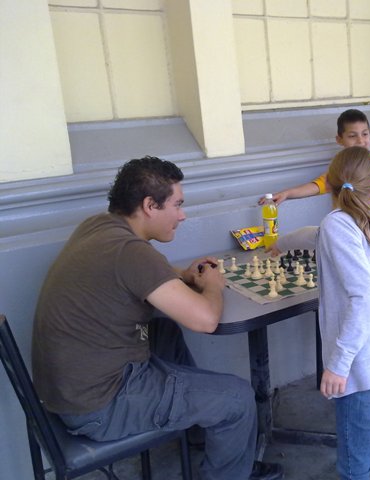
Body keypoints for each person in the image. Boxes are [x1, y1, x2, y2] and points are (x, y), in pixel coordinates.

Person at [31, 156, 283, 480]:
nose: (182, 215)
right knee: (237, 399)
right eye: (177, 205)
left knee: (163, 329)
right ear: (150, 205)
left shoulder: (99, 227)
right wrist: (213, 286)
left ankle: (198, 434)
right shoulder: (132, 252)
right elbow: (206, 320)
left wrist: (184, 276)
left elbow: (143, 273)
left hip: (69, 391)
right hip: (100, 406)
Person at [269, 146, 370, 480]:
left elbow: (363, 297)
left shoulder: (338, 223)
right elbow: (315, 236)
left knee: (354, 465)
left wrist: (339, 365)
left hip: (363, 367)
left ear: (329, 184)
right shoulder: (363, 220)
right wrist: (282, 243)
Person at [260, 108, 370, 297]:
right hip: (364, 235)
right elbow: (317, 186)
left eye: (365, 134)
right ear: (339, 139)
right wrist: (288, 193)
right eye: (352, 136)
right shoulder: (340, 170)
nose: (360, 141)